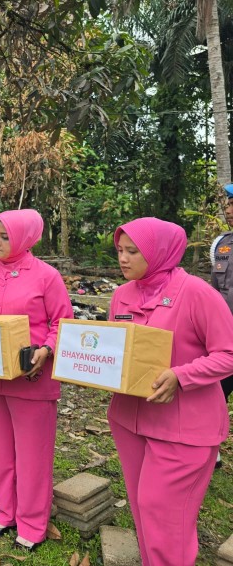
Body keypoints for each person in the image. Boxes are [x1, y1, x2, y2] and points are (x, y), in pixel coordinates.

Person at [110, 218, 233, 566]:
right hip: (130, 420)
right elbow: (115, 348)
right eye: (120, 250)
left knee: (164, 514)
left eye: (133, 251)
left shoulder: (196, 293)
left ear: (159, 252)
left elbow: (228, 353)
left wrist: (182, 376)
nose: (123, 258)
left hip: (183, 429)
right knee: (143, 511)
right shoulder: (122, 294)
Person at [0, 209, 73, 551]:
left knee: (32, 455)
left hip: (30, 378)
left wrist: (47, 349)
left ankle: (33, 524)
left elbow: (61, 322)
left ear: (24, 238)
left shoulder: (46, 276)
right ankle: (5, 513)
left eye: (5, 236)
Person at [209, 183, 233, 468]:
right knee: (215, 392)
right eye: (228, 205)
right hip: (225, 338)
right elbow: (214, 292)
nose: (227, 210)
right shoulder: (221, 244)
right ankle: (211, 447)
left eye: (231, 205)